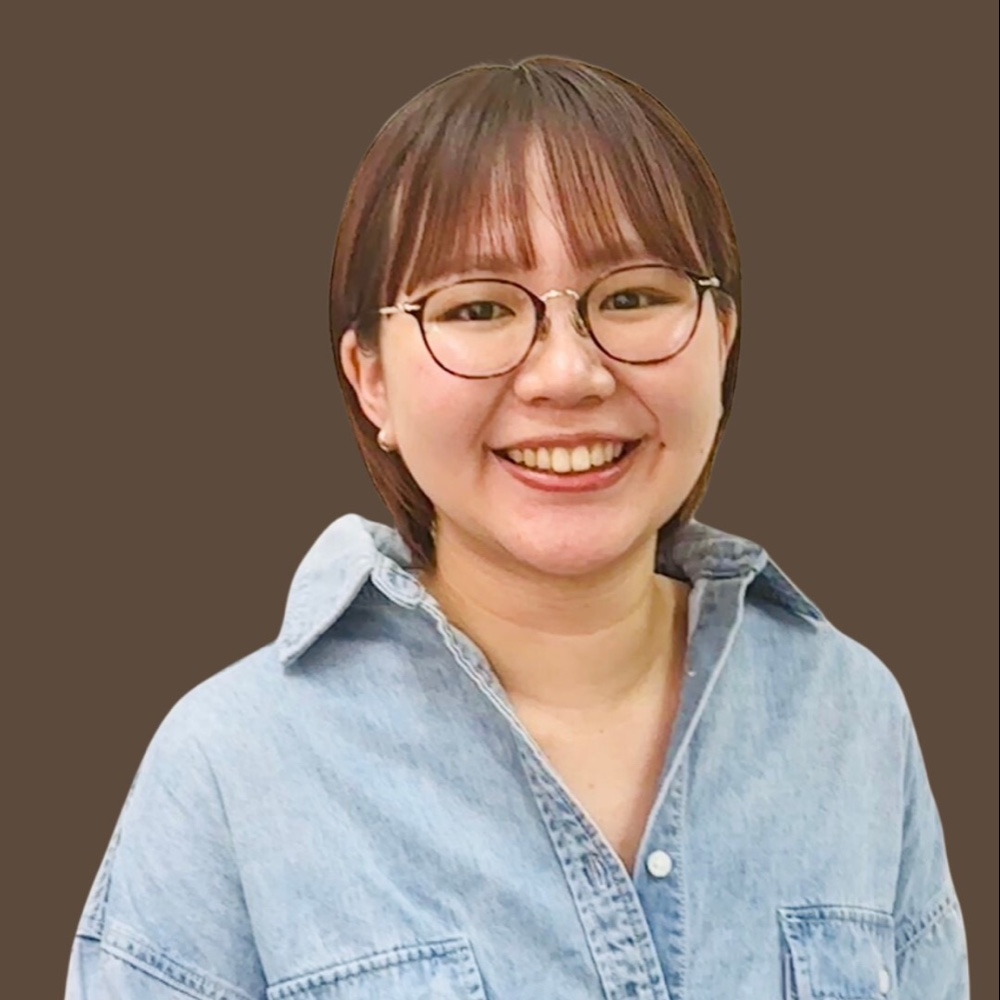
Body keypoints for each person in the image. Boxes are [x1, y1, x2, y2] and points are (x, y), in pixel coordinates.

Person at [65, 56, 968, 999]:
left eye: (633, 297)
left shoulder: (848, 714)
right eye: (479, 308)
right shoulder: (233, 764)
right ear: (371, 379)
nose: (567, 375)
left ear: (722, 340)